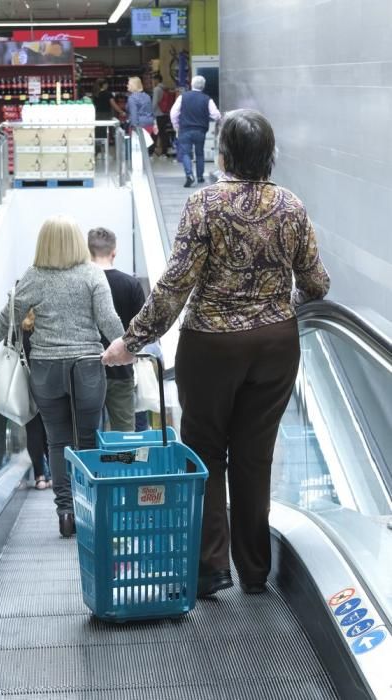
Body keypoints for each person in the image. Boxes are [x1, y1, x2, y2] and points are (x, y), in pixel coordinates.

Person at [101, 109, 330, 598]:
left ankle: (210, 569)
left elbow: (174, 286)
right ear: (269, 155)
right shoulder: (291, 206)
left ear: (222, 153)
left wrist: (130, 341)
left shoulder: (204, 205)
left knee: (204, 451)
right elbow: (316, 283)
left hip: (212, 344)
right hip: (275, 344)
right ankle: (253, 571)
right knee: (254, 455)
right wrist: (278, 306)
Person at [0, 215, 124, 537]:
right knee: (87, 441)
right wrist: (133, 348)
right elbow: (109, 322)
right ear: (75, 242)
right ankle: (90, 512)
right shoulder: (92, 275)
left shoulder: (33, 276)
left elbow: (8, 320)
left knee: (57, 442)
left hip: (45, 367)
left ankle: (65, 512)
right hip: (86, 364)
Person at [87, 227, 145, 431]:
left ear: (88, 251)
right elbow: (142, 329)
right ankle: (123, 464)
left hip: (86, 371)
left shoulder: (81, 284)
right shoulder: (131, 284)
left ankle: (91, 465)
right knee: (125, 437)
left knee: (87, 438)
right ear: (114, 252)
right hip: (122, 370)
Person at [170, 75, 221, 188]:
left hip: (185, 130)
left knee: (186, 153)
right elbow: (216, 115)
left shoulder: (183, 97)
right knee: (199, 153)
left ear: (191, 84)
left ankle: (189, 175)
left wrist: (176, 125)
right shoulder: (207, 99)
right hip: (200, 130)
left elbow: (173, 112)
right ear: (203, 86)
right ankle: (200, 176)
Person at [21, 310, 51, 490]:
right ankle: (54, 476)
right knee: (51, 432)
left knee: (33, 431)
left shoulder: (21, 327)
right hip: (49, 383)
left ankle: (40, 476)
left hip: (27, 384)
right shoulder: (48, 323)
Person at [92, 78, 125, 151]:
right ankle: (105, 151)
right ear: (104, 85)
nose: (107, 86)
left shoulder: (95, 94)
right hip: (106, 115)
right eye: (106, 84)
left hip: (97, 115)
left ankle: (98, 151)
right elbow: (113, 105)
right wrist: (121, 112)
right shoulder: (107, 94)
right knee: (106, 133)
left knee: (98, 134)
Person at [126, 76, 156, 154]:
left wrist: (134, 127)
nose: (127, 85)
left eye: (129, 84)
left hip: (138, 125)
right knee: (144, 146)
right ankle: (145, 162)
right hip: (149, 124)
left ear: (133, 85)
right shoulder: (147, 96)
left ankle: (139, 164)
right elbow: (151, 110)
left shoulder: (132, 98)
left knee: (136, 148)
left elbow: (134, 114)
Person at [151, 72, 172, 157]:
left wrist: (151, 112)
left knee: (155, 133)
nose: (153, 81)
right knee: (163, 133)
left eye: (154, 79)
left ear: (157, 80)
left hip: (158, 114)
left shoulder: (157, 89)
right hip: (165, 113)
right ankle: (164, 151)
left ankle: (153, 151)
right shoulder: (165, 88)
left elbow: (155, 102)